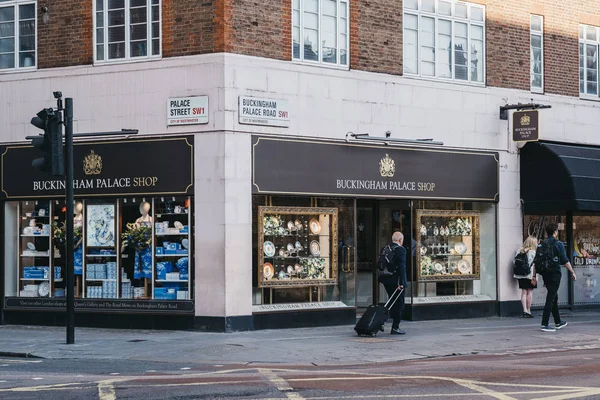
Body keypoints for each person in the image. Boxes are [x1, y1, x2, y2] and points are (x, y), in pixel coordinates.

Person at [538, 223, 577, 332]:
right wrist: (572, 272)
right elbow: (564, 260)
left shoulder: (542, 244)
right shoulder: (558, 244)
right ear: (555, 232)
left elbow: (537, 261)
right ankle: (544, 323)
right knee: (551, 297)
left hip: (545, 273)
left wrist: (533, 275)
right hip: (555, 273)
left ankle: (558, 322)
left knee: (553, 296)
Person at [378, 231, 408, 335]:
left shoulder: (385, 248)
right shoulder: (401, 250)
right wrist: (403, 283)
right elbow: (402, 267)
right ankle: (395, 327)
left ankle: (380, 321)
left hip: (386, 279)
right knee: (399, 304)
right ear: (400, 240)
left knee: (391, 301)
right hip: (396, 281)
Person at [513, 236, 538, 318]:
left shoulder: (519, 251)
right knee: (530, 292)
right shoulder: (533, 252)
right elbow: (535, 265)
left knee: (523, 292)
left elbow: (514, 262)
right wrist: (534, 276)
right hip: (530, 275)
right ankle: (529, 310)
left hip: (520, 275)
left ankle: (524, 310)